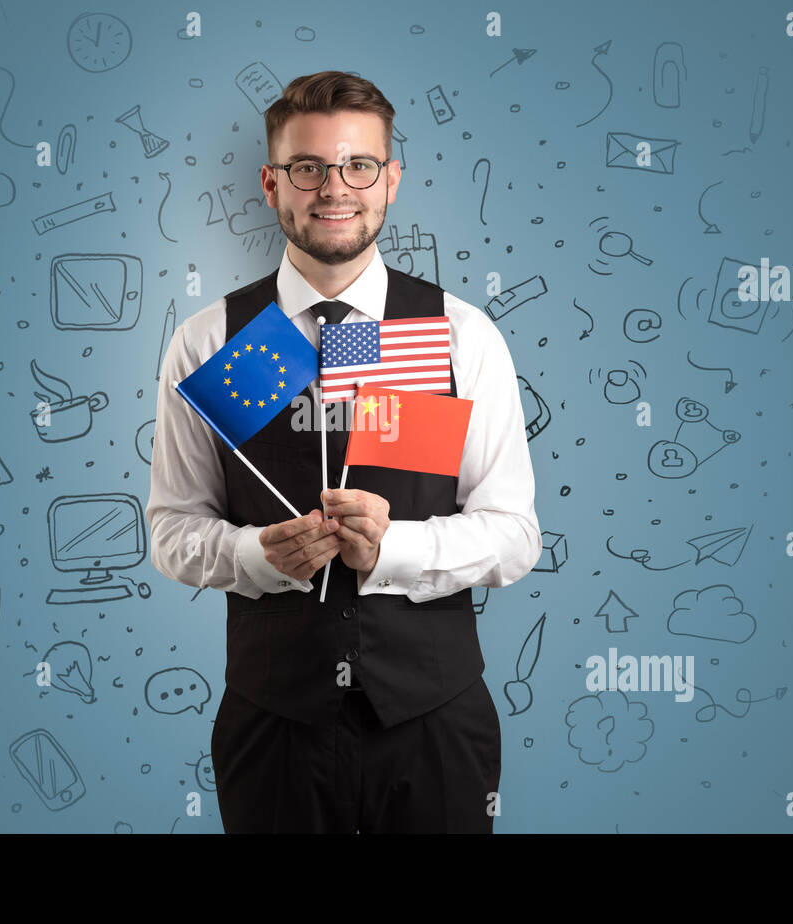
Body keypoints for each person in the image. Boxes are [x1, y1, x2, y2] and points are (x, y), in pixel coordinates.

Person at [146, 71, 541, 833]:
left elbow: (514, 536)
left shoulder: (459, 336)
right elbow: (172, 531)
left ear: (391, 179)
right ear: (272, 183)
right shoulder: (214, 341)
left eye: (359, 165)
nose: (335, 188)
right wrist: (258, 555)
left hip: (434, 721)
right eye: (308, 168)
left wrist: (392, 548)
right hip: (275, 723)